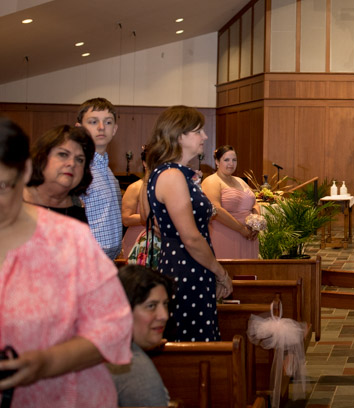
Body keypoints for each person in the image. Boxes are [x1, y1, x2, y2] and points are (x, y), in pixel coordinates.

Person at [0, 117, 132, 407]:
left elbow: (113, 326)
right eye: (63, 154)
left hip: (66, 393)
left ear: (22, 172)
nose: (71, 164)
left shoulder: (70, 236)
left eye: (3, 186)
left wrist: (46, 362)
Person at [145, 105, 232, 342]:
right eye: (198, 131)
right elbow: (191, 237)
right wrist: (221, 273)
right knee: (193, 340)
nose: (204, 136)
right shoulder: (172, 176)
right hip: (186, 269)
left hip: (187, 263)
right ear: (179, 135)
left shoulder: (171, 172)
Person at [108, 265, 173, 407]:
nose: (164, 316)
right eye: (151, 306)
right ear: (124, 310)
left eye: (165, 304)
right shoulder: (134, 366)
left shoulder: (103, 350)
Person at [76, 98, 124, 260]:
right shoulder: (76, 168)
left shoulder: (108, 172)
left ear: (115, 129)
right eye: (93, 122)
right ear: (79, 128)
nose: (101, 127)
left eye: (108, 122)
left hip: (108, 261)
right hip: (85, 259)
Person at [23, 125, 95, 225]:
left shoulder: (78, 208)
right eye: (63, 154)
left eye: (79, 160)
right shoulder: (12, 200)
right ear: (41, 158)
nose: (72, 163)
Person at [202, 145, 260, 259]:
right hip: (225, 234)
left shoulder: (240, 181)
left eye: (234, 160)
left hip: (249, 236)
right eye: (226, 160)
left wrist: (256, 224)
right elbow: (216, 209)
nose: (231, 164)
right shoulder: (211, 181)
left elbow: (254, 203)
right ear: (217, 162)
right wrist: (241, 229)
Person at [120, 149, 150, 258]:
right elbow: (126, 219)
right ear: (144, 163)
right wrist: (152, 217)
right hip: (136, 242)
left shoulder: (165, 188)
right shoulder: (135, 187)